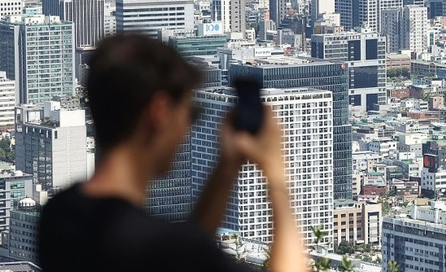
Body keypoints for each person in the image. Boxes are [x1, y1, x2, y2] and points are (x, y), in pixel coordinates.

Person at [38, 33, 306, 272]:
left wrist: (227, 167)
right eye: (191, 113)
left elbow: (188, 246)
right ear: (160, 112)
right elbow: (184, 251)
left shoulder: (61, 216)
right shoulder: (155, 246)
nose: (187, 128)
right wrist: (276, 176)